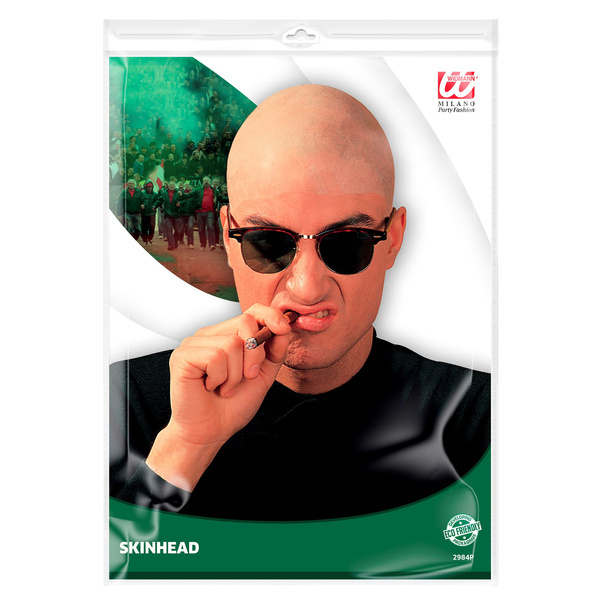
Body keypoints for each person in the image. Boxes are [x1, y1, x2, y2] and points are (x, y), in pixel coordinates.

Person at [110, 85, 490, 521]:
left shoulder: (481, 417)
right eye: (269, 242)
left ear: (394, 238)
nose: (307, 287)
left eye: (347, 243)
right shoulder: (123, 403)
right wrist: (183, 447)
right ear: (228, 239)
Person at [195, 176, 217, 250]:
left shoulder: (214, 190)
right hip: (200, 211)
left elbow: (219, 197)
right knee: (201, 229)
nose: (206, 181)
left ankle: (212, 244)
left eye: (207, 180)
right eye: (205, 180)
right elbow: (191, 196)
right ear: (202, 181)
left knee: (210, 227)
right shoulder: (198, 190)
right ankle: (203, 245)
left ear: (210, 182)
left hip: (209, 211)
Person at [140, 180, 159, 245]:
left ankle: (150, 238)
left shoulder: (155, 194)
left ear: (152, 187)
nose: (149, 188)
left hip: (152, 212)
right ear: (146, 187)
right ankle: (145, 239)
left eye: (150, 187)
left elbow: (158, 201)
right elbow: (140, 201)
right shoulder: (142, 193)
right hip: (144, 212)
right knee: (144, 226)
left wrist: (155, 206)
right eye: (148, 187)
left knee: (152, 226)